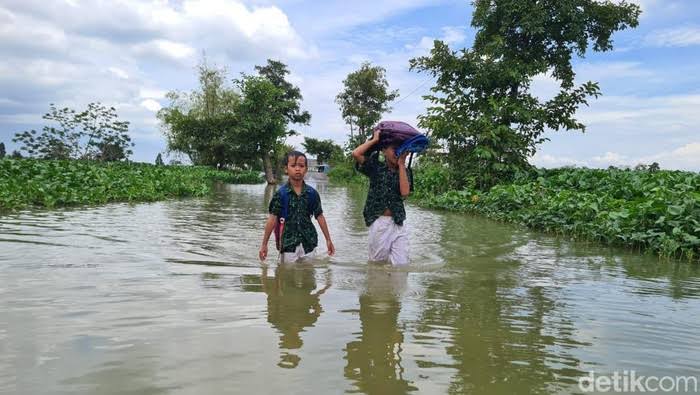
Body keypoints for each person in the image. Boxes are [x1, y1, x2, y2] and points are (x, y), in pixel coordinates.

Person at [259, 150, 335, 264]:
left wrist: (328, 240)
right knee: (287, 277)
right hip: (288, 244)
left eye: (301, 166)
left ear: (306, 169)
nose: (297, 169)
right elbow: (272, 219)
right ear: (286, 169)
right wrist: (264, 244)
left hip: (308, 242)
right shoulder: (281, 194)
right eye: (293, 165)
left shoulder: (312, 193)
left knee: (308, 276)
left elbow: (319, 216)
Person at [352, 129, 411, 265]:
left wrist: (401, 164)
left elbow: (405, 193)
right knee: (377, 264)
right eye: (394, 149)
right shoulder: (376, 168)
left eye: (400, 149)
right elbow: (356, 154)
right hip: (379, 222)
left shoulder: (405, 172)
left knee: (402, 265)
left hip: (398, 221)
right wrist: (374, 140)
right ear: (384, 151)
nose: (397, 152)